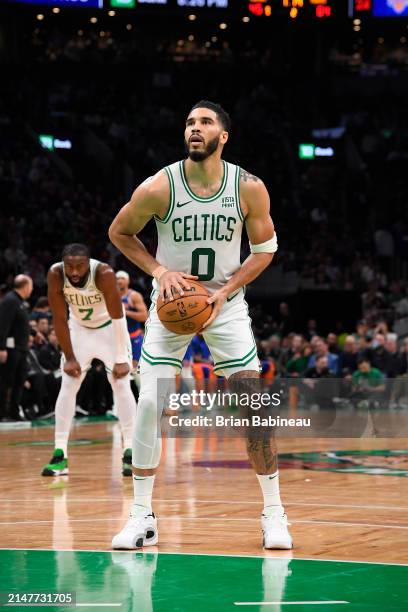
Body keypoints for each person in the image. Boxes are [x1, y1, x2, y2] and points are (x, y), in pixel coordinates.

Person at [109, 100, 292, 550]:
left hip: (223, 303)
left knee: (252, 403)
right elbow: (119, 232)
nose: (195, 128)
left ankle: (274, 513)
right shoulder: (160, 186)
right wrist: (159, 272)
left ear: (223, 136)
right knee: (150, 403)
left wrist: (226, 291)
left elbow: (265, 249)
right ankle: (141, 517)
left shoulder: (248, 187)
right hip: (174, 302)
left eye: (205, 122)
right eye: (190, 122)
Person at [41, 243, 137, 477]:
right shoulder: (55, 274)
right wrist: (70, 357)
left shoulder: (103, 273)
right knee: (68, 384)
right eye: (69, 266)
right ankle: (60, 453)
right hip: (79, 330)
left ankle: (130, 451)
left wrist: (121, 357)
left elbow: (118, 317)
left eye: (79, 267)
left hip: (109, 330)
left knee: (121, 384)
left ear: (88, 263)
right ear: (63, 264)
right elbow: (60, 318)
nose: (74, 272)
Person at [0, 275, 33, 421]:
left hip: (22, 349)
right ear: (25, 286)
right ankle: (2, 414)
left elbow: (22, 324)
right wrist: (1, 348)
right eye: (31, 286)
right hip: (11, 350)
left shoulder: (21, 302)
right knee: (6, 381)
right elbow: (3, 325)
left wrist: (34, 333)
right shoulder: (10, 300)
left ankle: (14, 412)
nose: (31, 290)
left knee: (19, 381)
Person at [115, 270, 148, 387]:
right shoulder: (111, 296)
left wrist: (125, 312)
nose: (119, 281)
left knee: (136, 370)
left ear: (127, 281)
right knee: (118, 370)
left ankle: (143, 399)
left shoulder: (133, 296)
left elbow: (145, 316)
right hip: (118, 339)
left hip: (134, 338)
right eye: (117, 278)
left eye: (122, 278)